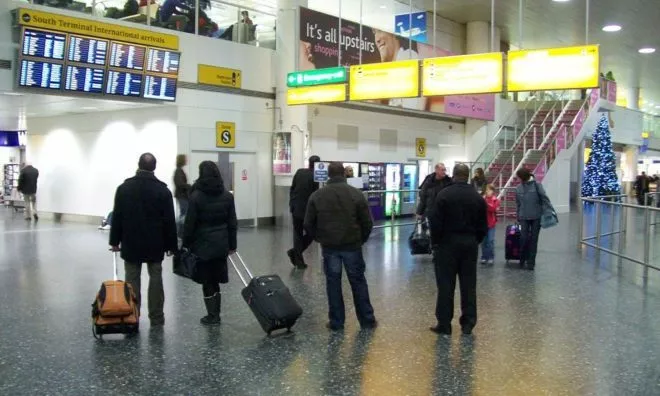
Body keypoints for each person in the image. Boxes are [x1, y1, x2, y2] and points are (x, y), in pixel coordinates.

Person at [304, 162, 377, 331]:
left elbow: (308, 223)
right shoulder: (356, 194)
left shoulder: (317, 196)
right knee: (358, 281)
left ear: (328, 175)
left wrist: (319, 237)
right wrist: (361, 239)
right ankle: (367, 320)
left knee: (333, 283)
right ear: (344, 174)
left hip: (330, 247)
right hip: (352, 245)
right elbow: (367, 222)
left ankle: (337, 322)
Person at [109, 153, 178, 326]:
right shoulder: (163, 190)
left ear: (138, 165)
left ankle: (132, 315)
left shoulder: (124, 188)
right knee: (156, 278)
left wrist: (114, 241)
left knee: (132, 280)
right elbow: (169, 221)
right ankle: (156, 317)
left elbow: (117, 216)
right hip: (155, 243)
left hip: (131, 242)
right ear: (154, 167)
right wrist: (172, 245)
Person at [428, 163, 487, 336]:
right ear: (468, 176)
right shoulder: (477, 197)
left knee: (446, 285)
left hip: (447, 244)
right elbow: (483, 226)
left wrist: (436, 243)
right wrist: (475, 240)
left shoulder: (444, 195)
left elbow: (434, 221)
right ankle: (468, 323)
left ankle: (444, 324)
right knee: (469, 285)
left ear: (453, 175)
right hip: (469, 244)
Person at [183, 161, 237, 326]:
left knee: (207, 281)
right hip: (221, 244)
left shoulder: (196, 196)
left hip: (203, 245)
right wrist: (232, 245)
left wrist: (186, 243)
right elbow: (232, 222)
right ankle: (216, 313)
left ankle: (212, 315)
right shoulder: (227, 196)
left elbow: (189, 223)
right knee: (216, 279)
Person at [372, 29, 426, 110]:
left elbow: (411, 110)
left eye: (380, 31)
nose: (377, 39)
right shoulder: (390, 72)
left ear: (394, 34)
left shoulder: (408, 58)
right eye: (375, 33)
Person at [287, 155, 321, 269]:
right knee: (312, 233)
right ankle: (295, 254)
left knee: (297, 234)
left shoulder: (299, 172)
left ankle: (298, 258)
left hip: (295, 208)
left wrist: (292, 203)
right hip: (308, 211)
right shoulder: (316, 177)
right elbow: (315, 195)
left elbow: (292, 189)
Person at [515, 168, 551, 271]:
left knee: (533, 240)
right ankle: (522, 259)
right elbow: (518, 204)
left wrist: (547, 211)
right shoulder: (518, 188)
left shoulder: (537, 185)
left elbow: (544, 199)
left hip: (536, 217)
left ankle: (531, 262)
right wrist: (518, 216)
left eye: (519, 177)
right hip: (524, 217)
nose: (518, 179)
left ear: (524, 177)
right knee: (523, 238)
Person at [481, 184, 500, 266]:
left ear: (493, 191)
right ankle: (484, 257)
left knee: (490, 241)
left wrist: (486, 204)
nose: (487, 191)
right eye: (486, 190)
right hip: (483, 223)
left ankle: (491, 257)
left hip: (491, 224)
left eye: (489, 190)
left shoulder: (495, 200)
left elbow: (493, 209)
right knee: (483, 242)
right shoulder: (482, 199)